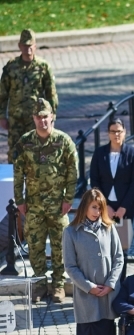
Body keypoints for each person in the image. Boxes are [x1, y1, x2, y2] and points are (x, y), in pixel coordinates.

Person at [13, 97, 77, 303]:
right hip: (33, 206)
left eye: (45, 117)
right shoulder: (25, 142)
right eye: (38, 117)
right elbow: (18, 173)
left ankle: (58, 285)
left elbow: (73, 172)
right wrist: (19, 200)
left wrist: (68, 199)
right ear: (33, 118)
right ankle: (40, 284)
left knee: (60, 247)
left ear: (52, 117)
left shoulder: (64, 141)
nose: (42, 121)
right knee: (35, 246)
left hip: (58, 206)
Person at [63, 189, 125, 335]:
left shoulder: (109, 228)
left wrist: (111, 284)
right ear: (85, 207)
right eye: (94, 207)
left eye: (100, 208)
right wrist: (88, 286)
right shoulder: (71, 232)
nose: (97, 212)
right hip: (86, 296)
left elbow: (118, 258)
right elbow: (70, 266)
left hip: (106, 294)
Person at [90, 118, 134, 284]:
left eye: (119, 131)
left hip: (125, 209)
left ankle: (120, 283)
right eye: (113, 131)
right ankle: (104, 281)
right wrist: (105, 206)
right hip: (103, 208)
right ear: (108, 133)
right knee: (103, 246)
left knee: (122, 247)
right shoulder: (99, 153)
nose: (116, 134)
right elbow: (95, 180)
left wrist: (123, 207)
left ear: (125, 132)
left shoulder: (133, 154)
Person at [0, 29, 58, 163]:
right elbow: (2, 93)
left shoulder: (43, 67)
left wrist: (51, 116)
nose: (28, 49)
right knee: (15, 152)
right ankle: (14, 176)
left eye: (30, 45)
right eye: (25, 46)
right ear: (20, 46)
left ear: (35, 46)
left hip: (37, 119)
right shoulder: (11, 67)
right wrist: (2, 116)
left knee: (38, 151)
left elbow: (51, 93)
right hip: (16, 119)